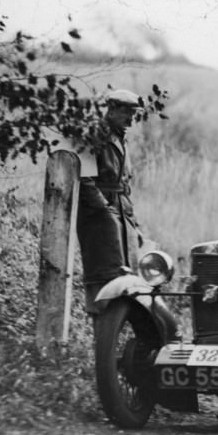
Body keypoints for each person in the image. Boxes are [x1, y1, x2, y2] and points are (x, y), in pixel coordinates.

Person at [76, 89, 144, 315]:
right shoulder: (95, 135)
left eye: (133, 115)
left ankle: (115, 325)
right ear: (112, 110)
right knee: (103, 278)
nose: (131, 120)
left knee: (125, 279)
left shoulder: (121, 138)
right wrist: (105, 212)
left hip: (122, 213)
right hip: (99, 217)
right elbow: (84, 179)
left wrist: (134, 225)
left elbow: (125, 186)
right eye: (127, 114)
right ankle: (101, 326)